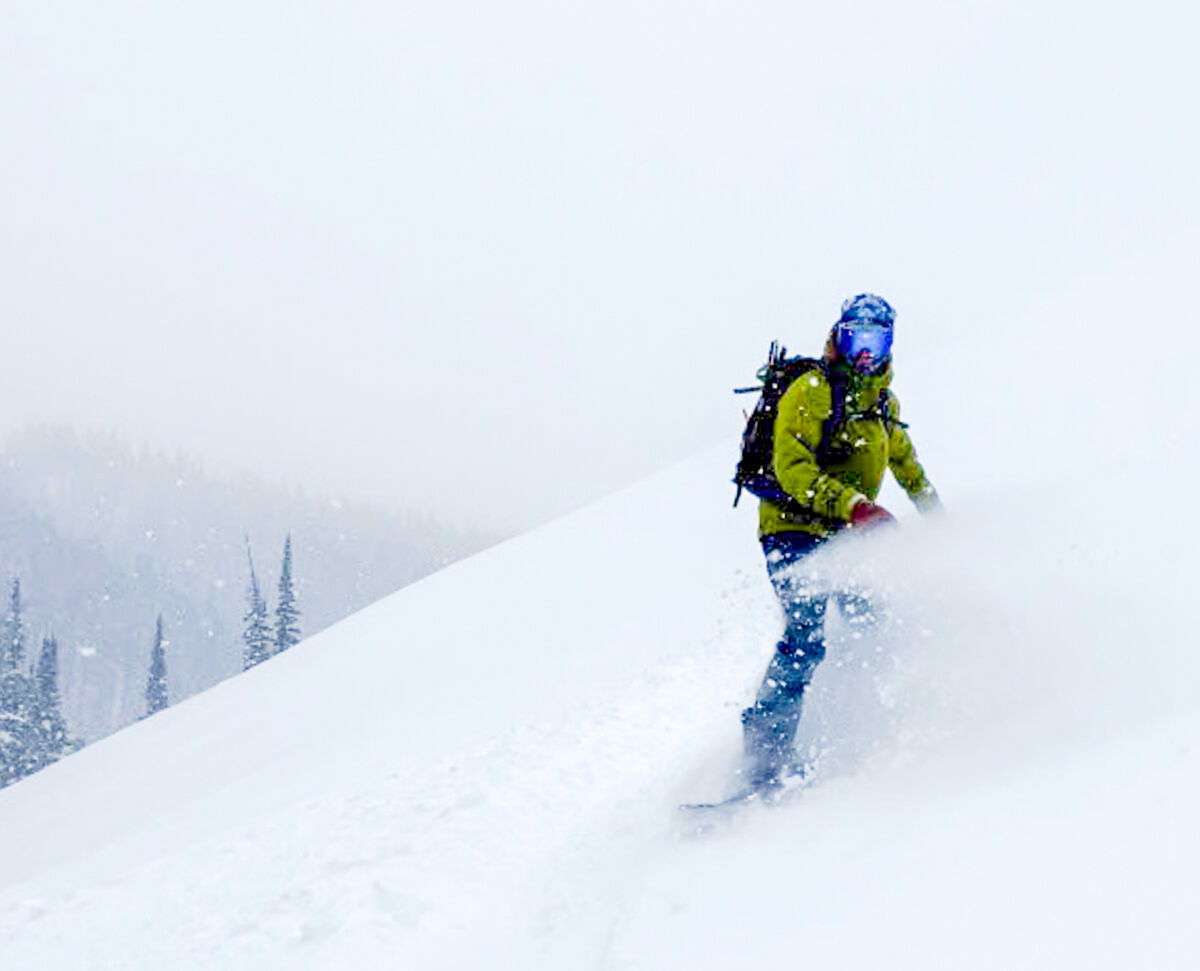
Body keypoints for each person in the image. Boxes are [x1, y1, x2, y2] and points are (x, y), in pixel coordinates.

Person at [741, 293, 939, 795]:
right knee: (805, 638)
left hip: (844, 536)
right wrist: (854, 505)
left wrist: (937, 517)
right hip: (791, 530)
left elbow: (907, 466)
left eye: (877, 341)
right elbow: (792, 468)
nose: (866, 353)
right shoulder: (811, 391)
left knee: (872, 626)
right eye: (856, 339)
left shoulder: (883, 405)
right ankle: (762, 763)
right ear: (839, 338)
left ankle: (855, 731)